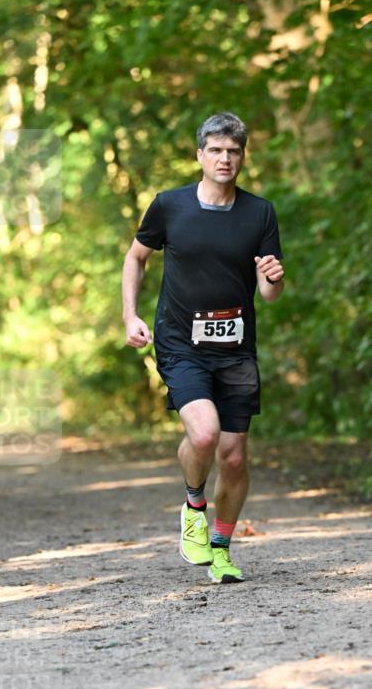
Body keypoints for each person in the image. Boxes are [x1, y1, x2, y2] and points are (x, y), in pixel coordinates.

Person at [122, 112, 284, 583]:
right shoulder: (169, 206)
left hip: (236, 346)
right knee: (206, 434)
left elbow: (269, 293)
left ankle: (220, 548)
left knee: (234, 455)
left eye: (233, 151)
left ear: (243, 157)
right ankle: (194, 505)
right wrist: (130, 316)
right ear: (200, 155)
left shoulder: (260, 212)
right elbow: (136, 259)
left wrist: (274, 279)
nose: (225, 158)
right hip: (179, 341)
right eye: (215, 150)